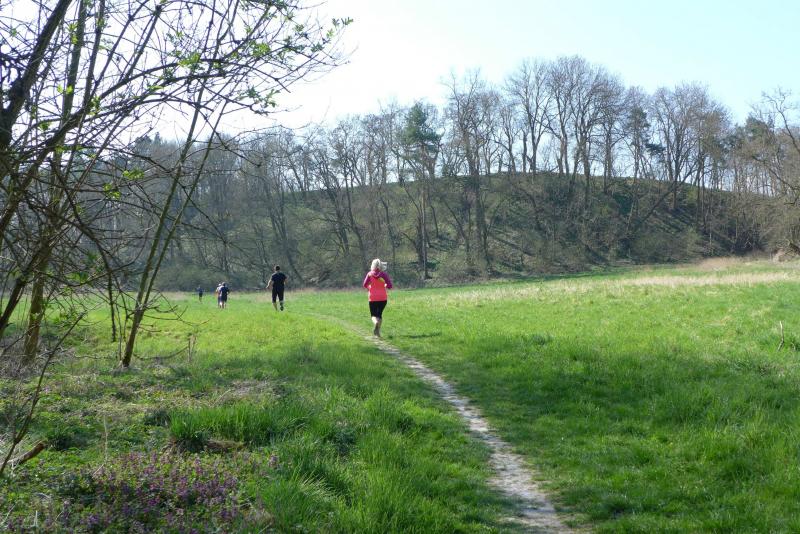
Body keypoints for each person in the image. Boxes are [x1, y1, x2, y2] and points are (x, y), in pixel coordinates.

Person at [362, 258, 392, 337]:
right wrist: (385, 285)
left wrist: (369, 287)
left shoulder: (369, 274)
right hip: (383, 298)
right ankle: (378, 332)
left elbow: (364, 284)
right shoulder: (384, 274)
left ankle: (376, 323)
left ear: (373, 265)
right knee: (379, 315)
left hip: (372, 298)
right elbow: (390, 286)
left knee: (373, 315)